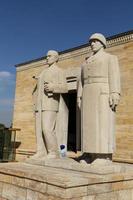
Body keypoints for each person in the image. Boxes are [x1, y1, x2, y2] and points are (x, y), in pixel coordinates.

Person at [77, 33, 121, 162]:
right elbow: (81, 81)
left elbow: (115, 76)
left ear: (102, 43)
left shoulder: (109, 58)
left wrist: (115, 93)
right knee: (87, 124)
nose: (92, 44)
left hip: (102, 92)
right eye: (91, 42)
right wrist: (79, 96)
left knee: (102, 123)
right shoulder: (86, 61)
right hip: (87, 92)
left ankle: (103, 155)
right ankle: (89, 153)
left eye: (95, 41)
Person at [32, 50, 68, 159]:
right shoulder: (43, 72)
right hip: (40, 104)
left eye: (50, 56)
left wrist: (53, 87)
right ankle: (41, 151)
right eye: (46, 56)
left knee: (47, 129)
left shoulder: (59, 71)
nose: (47, 58)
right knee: (39, 130)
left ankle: (53, 152)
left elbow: (65, 88)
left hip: (50, 103)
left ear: (56, 58)